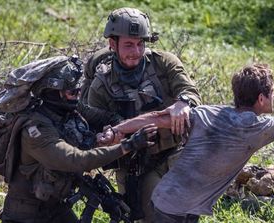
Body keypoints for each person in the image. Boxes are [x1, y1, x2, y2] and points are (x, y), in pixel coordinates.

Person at [98, 63, 274, 222]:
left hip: (176, 202)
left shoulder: (207, 112)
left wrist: (116, 130)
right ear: (262, 99)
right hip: (172, 209)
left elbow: (155, 117)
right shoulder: (258, 128)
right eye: (272, 93)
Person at [0, 56, 157, 223]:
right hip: (26, 215)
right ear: (52, 92)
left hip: (57, 208)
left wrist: (113, 130)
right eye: (72, 92)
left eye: (78, 90)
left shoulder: (69, 108)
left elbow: (107, 117)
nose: (77, 95)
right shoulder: (35, 130)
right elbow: (76, 160)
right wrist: (128, 145)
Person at [84, 7, 201, 222]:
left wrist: (183, 103)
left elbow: (190, 91)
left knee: (184, 213)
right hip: (135, 166)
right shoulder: (101, 85)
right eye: (128, 44)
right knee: (150, 216)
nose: (135, 52)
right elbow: (94, 134)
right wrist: (111, 140)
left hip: (175, 151)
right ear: (112, 44)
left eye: (140, 44)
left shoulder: (163, 63)